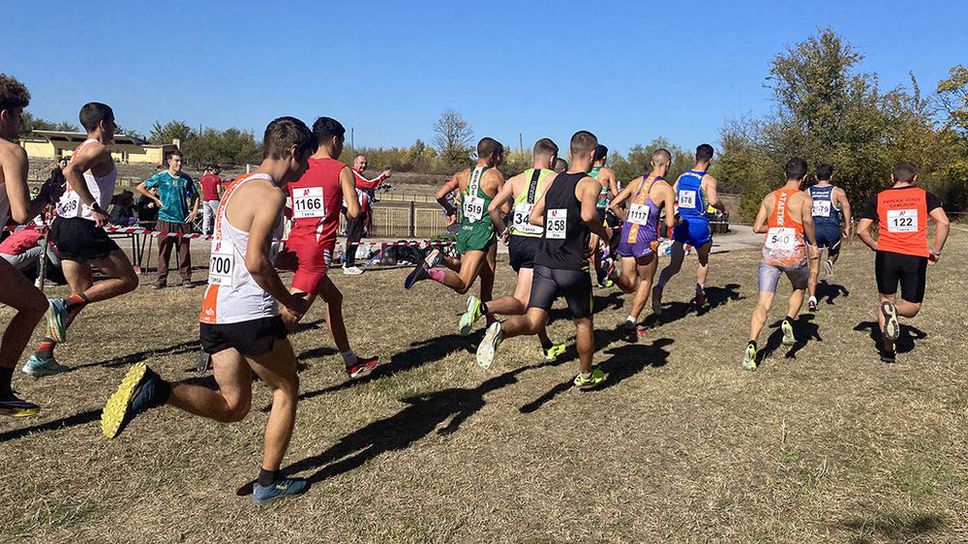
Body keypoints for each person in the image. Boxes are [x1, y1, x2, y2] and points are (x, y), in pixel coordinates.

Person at [102, 116, 317, 504]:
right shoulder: (271, 194)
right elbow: (253, 262)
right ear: (293, 152)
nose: (304, 170)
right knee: (286, 388)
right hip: (249, 312)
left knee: (233, 405)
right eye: (305, 161)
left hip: (215, 313)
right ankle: (268, 483)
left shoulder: (237, 188)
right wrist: (290, 301)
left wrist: (276, 257)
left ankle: (158, 390)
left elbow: (242, 249)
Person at [476, 130, 610, 389]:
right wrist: (604, 233)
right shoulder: (590, 184)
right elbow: (588, 216)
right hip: (572, 266)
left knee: (534, 319)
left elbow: (535, 216)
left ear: (571, 153)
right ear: (593, 155)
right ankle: (585, 375)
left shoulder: (555, 181)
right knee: (583, 322)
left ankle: (500, 330)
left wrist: (559, 224)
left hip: (544, 262)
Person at [23, 102, 139, 378]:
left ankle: (42, 354)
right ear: (102, 124)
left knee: (80, 293)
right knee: (128, 280)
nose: (114, 128)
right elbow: (72, 172)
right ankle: (62, 307)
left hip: (64, 225)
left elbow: (74, 175)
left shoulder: (82, 148)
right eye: (112, 123)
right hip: (82, 225)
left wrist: (109, 201)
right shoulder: (97, 148)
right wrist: (95, 207)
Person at [278, 117, 381, 378]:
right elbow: (355, 211)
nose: (342, 147)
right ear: (335, 140)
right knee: (291, 316)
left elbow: (280, 196)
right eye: (342, 142)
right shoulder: (341, 169)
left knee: (334, 299)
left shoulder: (298, 166)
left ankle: (351, 361)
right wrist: (343, 209)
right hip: (316, 251)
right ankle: (248, 359)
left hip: (294, 245)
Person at [459, 137, 566, 361]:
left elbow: (493, 208)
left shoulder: (517, 179)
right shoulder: (557, 180)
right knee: (525, 303)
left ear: (533, 156)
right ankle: (483, 308)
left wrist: (504, 230)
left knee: (531, 300)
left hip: (518, 243)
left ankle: (546, 344)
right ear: (553, 158)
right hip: (540, 243)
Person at [0, 73, 64, 415]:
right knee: (33, 304)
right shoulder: (11, 152)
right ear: (4, 115)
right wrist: (46, 197)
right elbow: (22, 213)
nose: (21, 123)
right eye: (20, 115)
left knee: (33, 302)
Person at [855, 162, 949, 363]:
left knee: (885, 301)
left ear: (892, 177)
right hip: (914, 256)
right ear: (915, 179)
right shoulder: (925, 196)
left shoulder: (879, 198)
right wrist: (936, 250)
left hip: (886, 255)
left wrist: (874, 245)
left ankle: (888, 351)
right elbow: (943, 222)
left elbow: (861, 229)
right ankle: (895, 311)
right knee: (912, 307)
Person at [405, 138, 506, 311]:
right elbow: (505, 207)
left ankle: (489, 320)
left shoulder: (461, 175)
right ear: (493, 156)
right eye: (501, 155)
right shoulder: (495, 176)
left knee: (485, 273)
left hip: (465, 231)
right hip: (482, 232)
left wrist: (451, 210)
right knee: (463, 285)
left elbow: (439, 195)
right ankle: (430, 271)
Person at [742, 158, 818, 370]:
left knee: (763, 302)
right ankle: (789, 320)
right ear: (804, 178)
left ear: (785, 174)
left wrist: (777, 225)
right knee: (799, 287)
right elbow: (808, 222)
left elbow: (757, 228)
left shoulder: (769, 197)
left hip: (770, 254)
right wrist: (812, 242)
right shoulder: (804, 198)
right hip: (794, 253)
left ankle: (752, 343)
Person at [607, 149, 676, 338]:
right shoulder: (666, 189)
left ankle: (613, 273)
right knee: (646, 280)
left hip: (627, 236)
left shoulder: (636, 181)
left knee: (629, 284)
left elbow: (613, 204)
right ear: (667, 164)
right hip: (646, 240)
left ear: (653, 163)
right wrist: (679, 221)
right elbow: (670, 222)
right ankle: (631, 320)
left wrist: (626, 217)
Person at [653, 143, 726, 313]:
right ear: (710, 160)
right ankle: (699, 293)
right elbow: (714, 201)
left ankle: (659, 287)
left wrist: (672, 213)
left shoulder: (683, 176)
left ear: (695, 156)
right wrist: (723, 208)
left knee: (674, 265)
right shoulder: (708, 179)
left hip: (682, 223)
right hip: (699, 225)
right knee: (703, 259)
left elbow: (670, 193)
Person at [137, 150, 199, 289]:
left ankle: (186, 278)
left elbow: (195, 195)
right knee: (164, 251)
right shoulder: (161, 177)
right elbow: (140, 187)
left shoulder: (186, 179)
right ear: (169, 162)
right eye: (176, 160)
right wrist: (154, 199)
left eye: (181, 161)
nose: (179, 163)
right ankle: (161, 279)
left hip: (183, 220)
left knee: (183, 251)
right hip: (165, 219)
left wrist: (194, 211)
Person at [806, 163, 852, 311]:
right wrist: (847, 226)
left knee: (813, 268)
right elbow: (845, 206)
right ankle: (831, 261)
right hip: (831, 227)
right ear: (831, 176)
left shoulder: (808, 191)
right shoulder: (837, 191)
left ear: (815, 177)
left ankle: (812, 298)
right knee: (835, 249)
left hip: (814, 229)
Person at [342, 155, 390, 275]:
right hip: (353, 209)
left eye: (365, 163)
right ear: (355, 163)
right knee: (353, 236)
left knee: (356, 236)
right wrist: (383, 176)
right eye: (361, 163)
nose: (363, 165)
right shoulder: (352, 173)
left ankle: (348, 261)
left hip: (360, 210)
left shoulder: (359, 175)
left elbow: (368, 188)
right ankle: (349, 264)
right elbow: (368, 184)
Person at [589, 144, 619, 287]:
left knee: (592, 247)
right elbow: (615, 193)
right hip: (599, 211)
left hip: (584, 209)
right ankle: (600, 277)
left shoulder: (585, 171)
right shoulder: (607, 172)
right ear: (605, 157)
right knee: (594, 247)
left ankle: (600, 277)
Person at [199, 164, 223, 236]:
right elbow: (219, 191)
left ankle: (205, 232)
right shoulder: (217, 178)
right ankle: (216, 232)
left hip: (205, 199)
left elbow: (202, 189)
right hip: (214, 199)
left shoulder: (202, 178)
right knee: (218, 216)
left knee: (206, 217)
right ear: (214, 170)